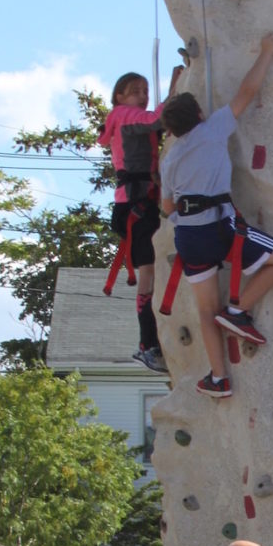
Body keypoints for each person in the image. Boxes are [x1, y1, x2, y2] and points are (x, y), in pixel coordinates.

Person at [159, 36, 273, 398]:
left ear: (171, 131)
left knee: (206, 308)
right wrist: (266, 51)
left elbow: (167, 207)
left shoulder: (169, 159)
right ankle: (238, 309)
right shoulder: (211, 130)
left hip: (189, 237)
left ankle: (219, 378)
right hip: (220, 227)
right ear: (200, 116)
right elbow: (247, 92)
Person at [99, 64, 184, 373]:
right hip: (135, 207)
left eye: (146, 91)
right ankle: (147, 344)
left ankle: (150, 343)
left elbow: (164, 124)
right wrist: (175, 85)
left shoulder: (127, 119)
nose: (143, 95)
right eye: (135, 91)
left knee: (151, 273)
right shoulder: (123, 116)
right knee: (147, 275)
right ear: (119, 97)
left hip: (139, 204)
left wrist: (174, 88)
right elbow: (156, 120)